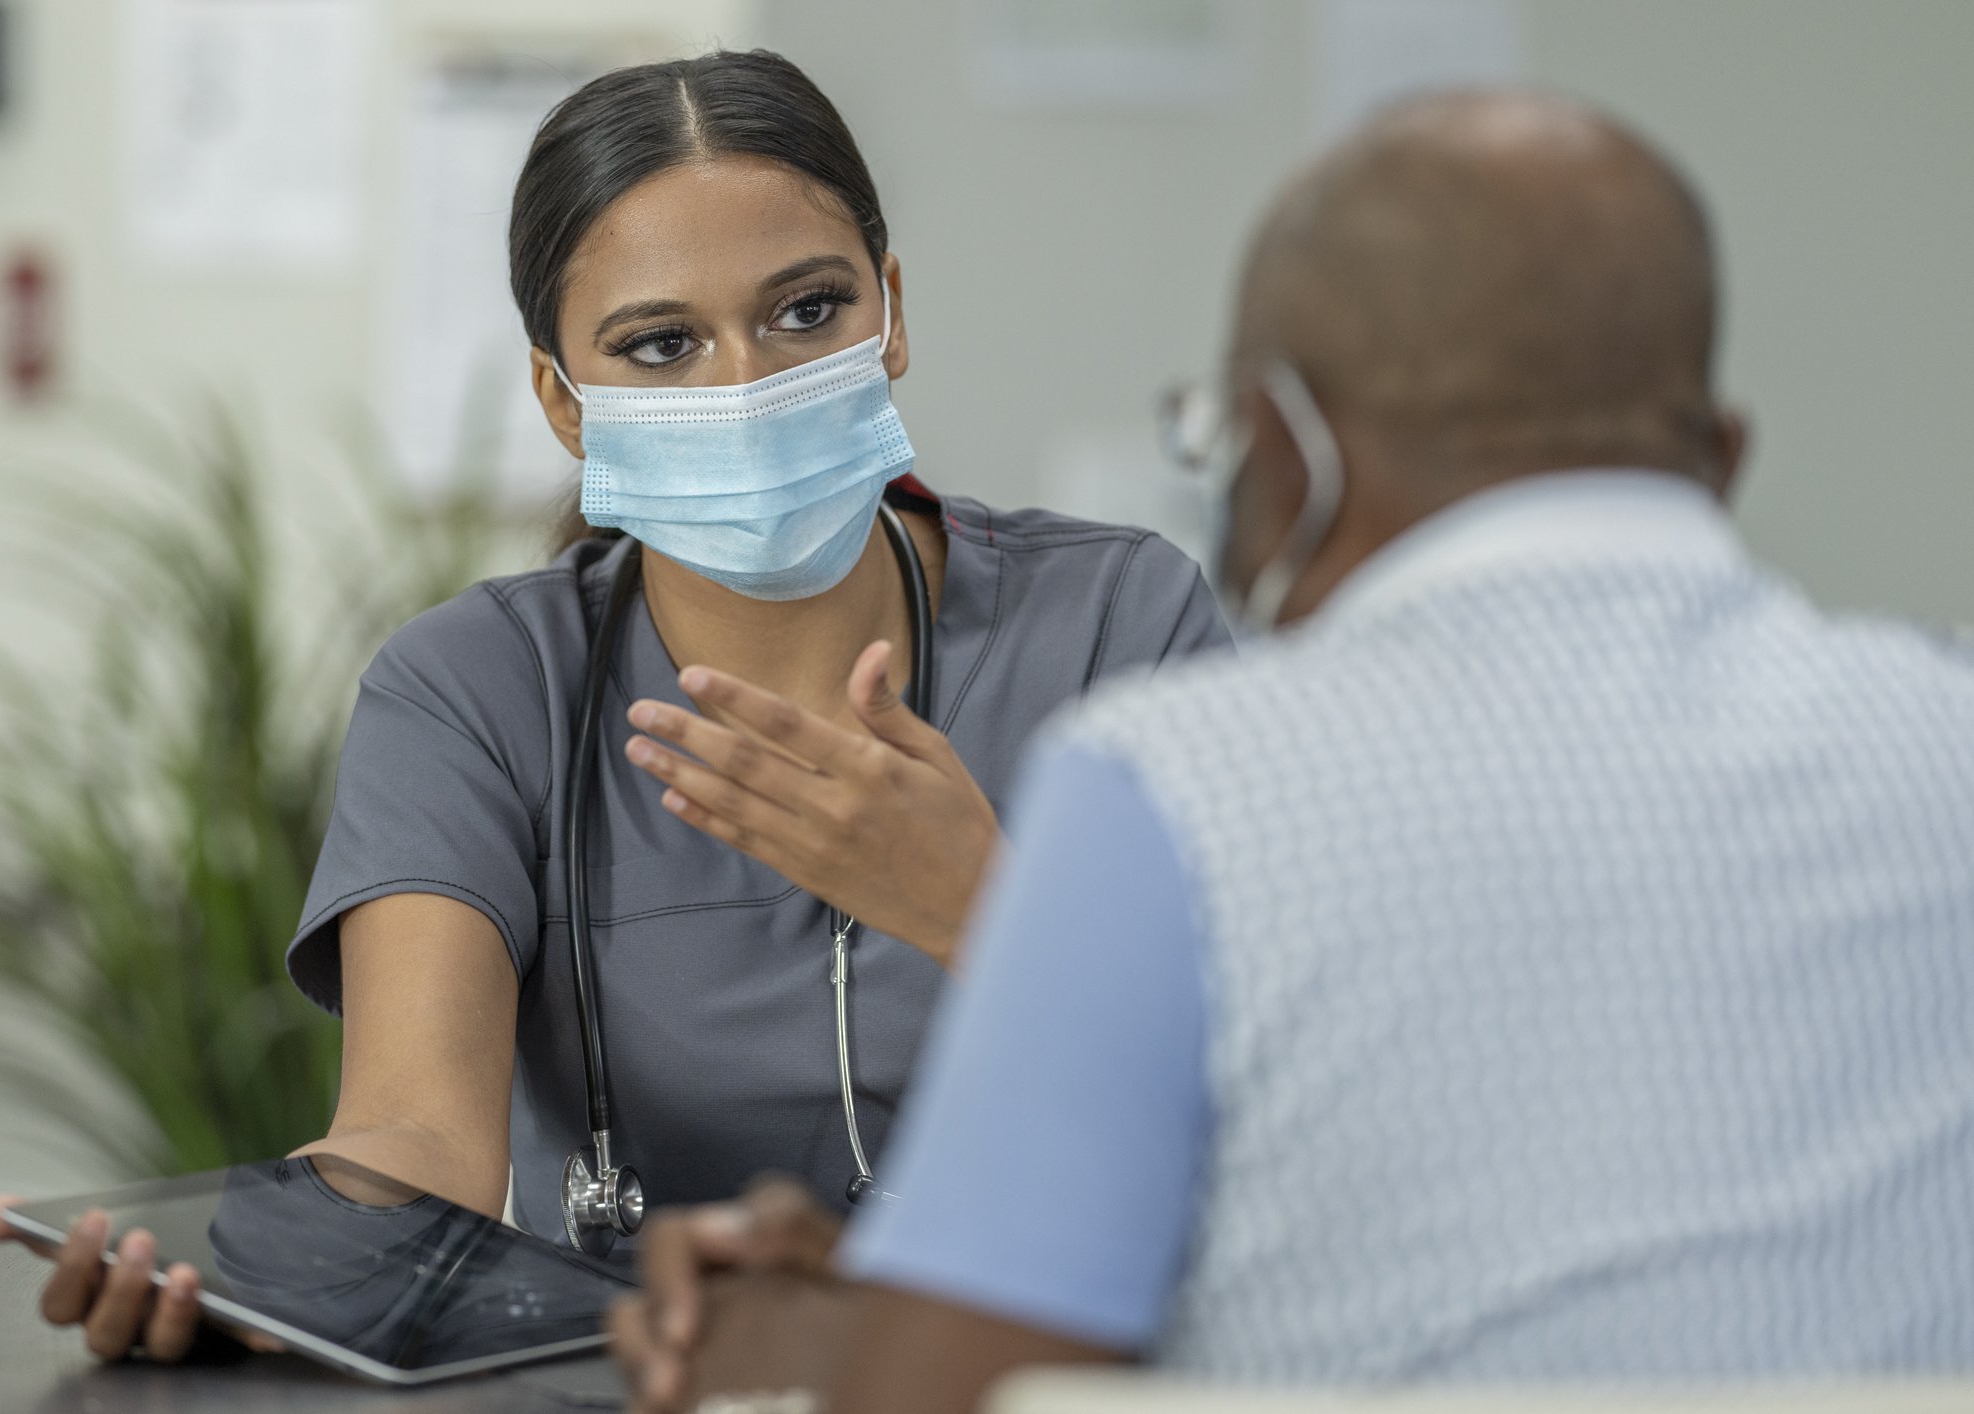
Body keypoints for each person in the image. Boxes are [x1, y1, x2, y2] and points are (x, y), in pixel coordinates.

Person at [609, 89, 1974, 1413]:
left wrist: (820, 1339)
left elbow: (958, 1399)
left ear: (1281, 453)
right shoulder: (1944, 735)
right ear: (1719, 456)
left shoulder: (1173, 790)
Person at [0, 48, 1227, 1360]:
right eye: (660, 346)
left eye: (805, 311)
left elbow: (1277, 1070)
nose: (742, 383)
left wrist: (985, 909)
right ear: (563, 398)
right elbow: (418, 1135)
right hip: (642, 1382)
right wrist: (257, 1274)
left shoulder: (1121, 624)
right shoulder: (473, 690)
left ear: (888, 312)